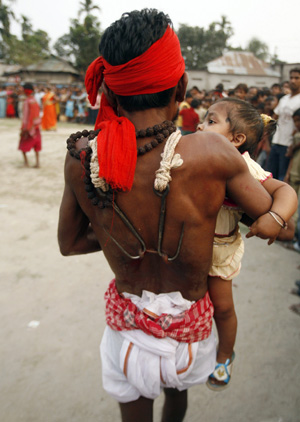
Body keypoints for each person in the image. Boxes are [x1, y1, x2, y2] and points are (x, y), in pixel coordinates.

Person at [58, 10, 292, 422]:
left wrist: (119, 232)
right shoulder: (212, 153)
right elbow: (276, 215)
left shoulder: (82, 158)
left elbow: (71, 244)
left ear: (111, 89)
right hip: (191, 334)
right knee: (177, 402)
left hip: (127, 331)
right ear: (182, 86)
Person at [198, 98, 297, 390]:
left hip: (218, 250)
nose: (201, 126)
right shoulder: (191, 155)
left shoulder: (242, 165)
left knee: (223, 308)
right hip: (187, 249)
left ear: (236, 139)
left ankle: (225, 355)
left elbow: (284, 190)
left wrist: (276, 218)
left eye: (211, 121)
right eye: (204, 120)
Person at [267, 68, 300, 180]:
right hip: (276, 141)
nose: (293, 81)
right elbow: (274, 117)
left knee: (282, 178)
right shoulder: (284, 99)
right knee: (269, 175)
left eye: (296, 78)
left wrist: (293, 146)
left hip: (289, 144)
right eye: (291, 78)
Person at [284, 108, 300, 252]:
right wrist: (288, 174)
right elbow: (292, 157)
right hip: (295, 172)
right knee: (293, 206)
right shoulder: (296, 136)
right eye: (295, 121)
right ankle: (291, 234)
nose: (297, 124)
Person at [18, 83, 42, 168]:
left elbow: (26, 116)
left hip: (29, 126)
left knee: (23, 145)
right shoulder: (34, 101)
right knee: (36, 146)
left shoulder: (27, 101)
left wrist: (25, 128)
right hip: (36, 126)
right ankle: (37, 163)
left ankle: (26, 162)